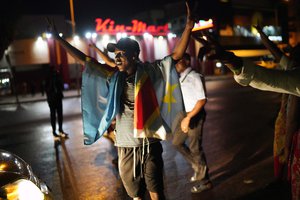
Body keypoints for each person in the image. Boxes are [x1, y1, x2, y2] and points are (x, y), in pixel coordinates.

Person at [47, 2, 195, 199]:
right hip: (125, 145)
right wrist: (58, 39)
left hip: (149, 143)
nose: (116, 58)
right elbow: (85, 60)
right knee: (136, 195)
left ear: (134, 55)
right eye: (115, 54)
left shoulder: (150, 71)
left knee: (156, 193)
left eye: (121, 54)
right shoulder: (113, 76)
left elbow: (175, 56)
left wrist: (187, 28)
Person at [194, 31, 300, 200]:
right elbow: (270, 72)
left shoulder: (295, 74)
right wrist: (231, 58)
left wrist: (230, 58)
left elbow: (267, 78)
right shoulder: (293, 69)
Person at [172, 52, 212, 193]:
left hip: (195, 115)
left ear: (187, 61)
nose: (176, 64)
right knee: (177, 142)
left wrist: (189, 118)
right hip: (184, 114)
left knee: (195, 148)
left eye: (178, 61)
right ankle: (197, 166)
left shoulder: (195, 76)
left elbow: (202, 100)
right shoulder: (181, 77)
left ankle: (205, 181)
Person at [45, 67, 68, 141]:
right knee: (53, 116)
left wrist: (59, 81)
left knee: (60, 115)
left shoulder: (58, 76)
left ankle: (60, 129)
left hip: (58, 98)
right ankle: (54, 131)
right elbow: (46, 89)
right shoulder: (48, 78)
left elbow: (61, 87)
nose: (55, 72)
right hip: (52, 99)